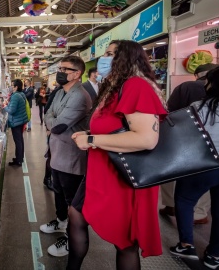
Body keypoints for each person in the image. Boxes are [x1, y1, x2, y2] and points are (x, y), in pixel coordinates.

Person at [69, 40, 167, 270]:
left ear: (127, 58)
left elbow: (146, 139)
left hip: (124, 174)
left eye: (112, 54)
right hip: (102, 169)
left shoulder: (136, 86)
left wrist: (92, 140)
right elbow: (115, 127)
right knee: (76, 214)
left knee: (124, 242)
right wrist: (89, 133)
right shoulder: (113, 88)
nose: (105, 59)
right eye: (106, 53)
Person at [170, 66, 219, 269]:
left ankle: (186, 244)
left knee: (185, 200)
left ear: (212, 84)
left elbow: (186, 135)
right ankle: (215, 255)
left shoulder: (199, 106)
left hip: (203, 165)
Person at [40, 56, 92, 257]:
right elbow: (47, 114)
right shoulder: (61, 92)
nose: (60, 71)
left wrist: (52, 123)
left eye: (65, 68)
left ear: (77, 74)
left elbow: (58, 125)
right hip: (57, 154)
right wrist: (51, 122)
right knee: (58, 191)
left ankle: (72, 239)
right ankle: (61, 223)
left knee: (72, 201)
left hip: (72, 157)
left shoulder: (80, 96)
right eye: (59, 67)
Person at [159, 63, 219, 223]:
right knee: (203, 171)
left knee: (170, 172)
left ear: (197, 75)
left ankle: (170, 204)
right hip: (213, 142)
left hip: (182, 137)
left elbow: (168, 111)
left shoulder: (186, 86)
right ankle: (199, 213)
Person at [3, 79, 28, 166]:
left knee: (18, 141)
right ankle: (20, 158)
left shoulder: (16, 96)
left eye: (12, 86)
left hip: (16, 122)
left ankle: (18, 160)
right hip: (20, 120)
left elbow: (11, 110)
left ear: (16, 87)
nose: (11, 87)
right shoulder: (21, 94)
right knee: (20, 140)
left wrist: (4, 106)